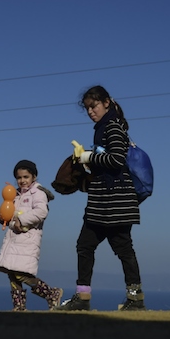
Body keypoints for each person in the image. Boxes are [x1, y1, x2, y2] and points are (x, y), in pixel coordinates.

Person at [53, 85, 145, 311]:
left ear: (106, 103)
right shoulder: (108, 127)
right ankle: (130, 298)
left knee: (105, 248)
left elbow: (116, 160)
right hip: (107, 201)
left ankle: (94, 297)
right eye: (87, 108)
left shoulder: (112, 127)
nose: (90, 111)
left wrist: (88, 157)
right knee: (97, 247)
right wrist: (88, 163)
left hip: (113, 202)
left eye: (93, 106)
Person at [0, 160, 64, 311]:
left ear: (34, 177)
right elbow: (9, 214)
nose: (22, 180)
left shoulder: (37, 193)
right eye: (19, 178)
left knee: (21, 274)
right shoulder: (15, 195)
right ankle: (19, 306)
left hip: (27, 240)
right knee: (12, 273)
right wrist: (2, 217)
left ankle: (51, 293)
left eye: (26, 177)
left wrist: (22, 219)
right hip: (13, 240)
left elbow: (41, 212)